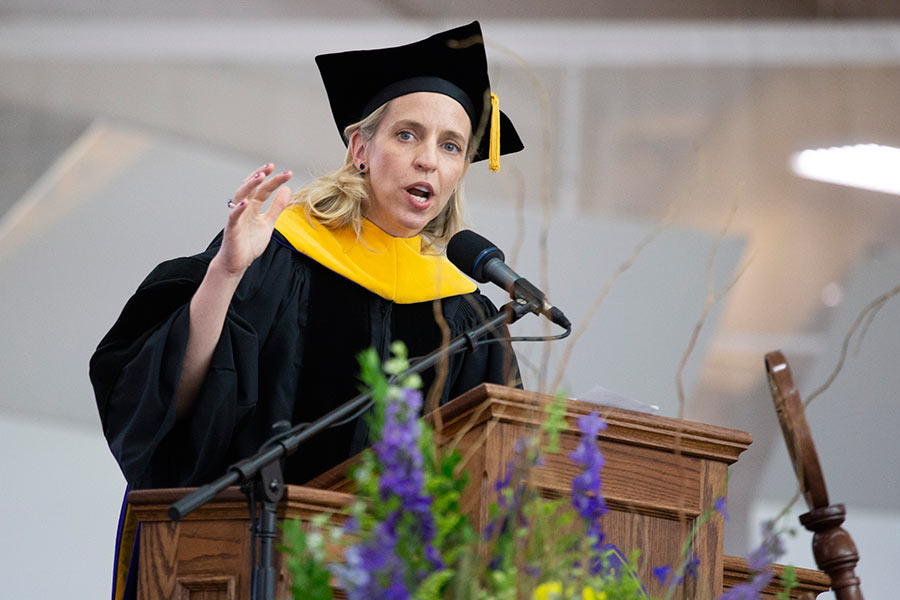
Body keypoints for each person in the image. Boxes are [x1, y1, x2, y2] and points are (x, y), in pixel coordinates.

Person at [90, 21, 524, 498]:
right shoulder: (276, 255)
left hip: (387, 570)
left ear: (461, 170)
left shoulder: (467, 319)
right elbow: (171, 408)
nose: (429, 160)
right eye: (406, 135)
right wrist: (227, 272)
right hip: (256, 553)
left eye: (450, 146)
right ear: (361, 149)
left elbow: (496, 479)